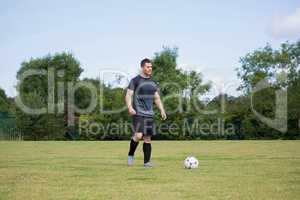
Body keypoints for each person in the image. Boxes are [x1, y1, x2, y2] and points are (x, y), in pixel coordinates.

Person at [125, 58, 167, 167]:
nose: (150, 69)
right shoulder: (135, 80)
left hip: (149, 114)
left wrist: (162, 110)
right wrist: (130, 107)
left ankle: (147, 162)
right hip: (138, 112)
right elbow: (128, 95)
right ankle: (130, 155)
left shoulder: (153, 82)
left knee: (147, 138)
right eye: (148, 67)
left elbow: (156, 98)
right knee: (138, 135)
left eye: (151, 67)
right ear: (143, 67)